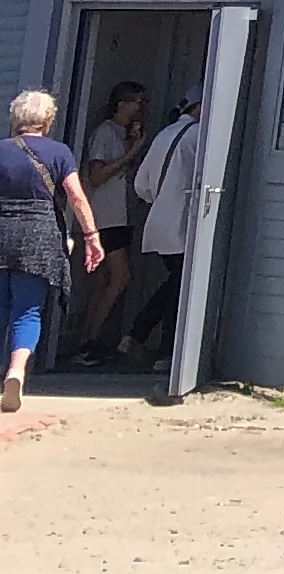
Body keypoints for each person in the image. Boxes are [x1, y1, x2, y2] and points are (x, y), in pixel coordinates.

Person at [2, 92, 108, 413]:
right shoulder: (58, 152)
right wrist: (91, 236)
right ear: (47, 121)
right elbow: (75, 196)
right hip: (39, 236)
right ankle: (17, 371)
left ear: (15, 119)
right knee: (28, 309)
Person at [110, 97, 208, 366]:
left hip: (158, 222)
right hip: (183, 224)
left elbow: (142, 185)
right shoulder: (199, 135)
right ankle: (158, 349)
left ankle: (141, 339)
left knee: (176, 284)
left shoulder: (166, 133)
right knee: (180, 287)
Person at [62, 81, 144, 366]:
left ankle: (88, 340)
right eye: (134, 101)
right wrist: (131, 154)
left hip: (119, 215)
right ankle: (89, 340)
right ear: (120, 103)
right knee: (120, 276)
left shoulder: (123, 135)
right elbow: (97, 176)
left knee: (103, 280)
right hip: (106, 216)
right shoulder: (105, 133)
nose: (139, 107)